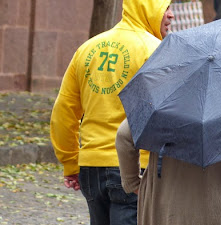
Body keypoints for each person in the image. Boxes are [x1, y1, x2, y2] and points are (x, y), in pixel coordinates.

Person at [50, 0, 174, 224]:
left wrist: (70, 162)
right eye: (165, 7)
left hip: (91, 166)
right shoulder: (156, 51)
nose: (171, 15)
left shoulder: (87, 48)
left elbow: (63, 112)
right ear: (148, 9)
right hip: (136, 167)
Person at [115, 119, 221, 225]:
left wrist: (133, 183)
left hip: (164, 207)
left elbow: (124, 135)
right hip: (219, 210)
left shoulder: (164, 100)